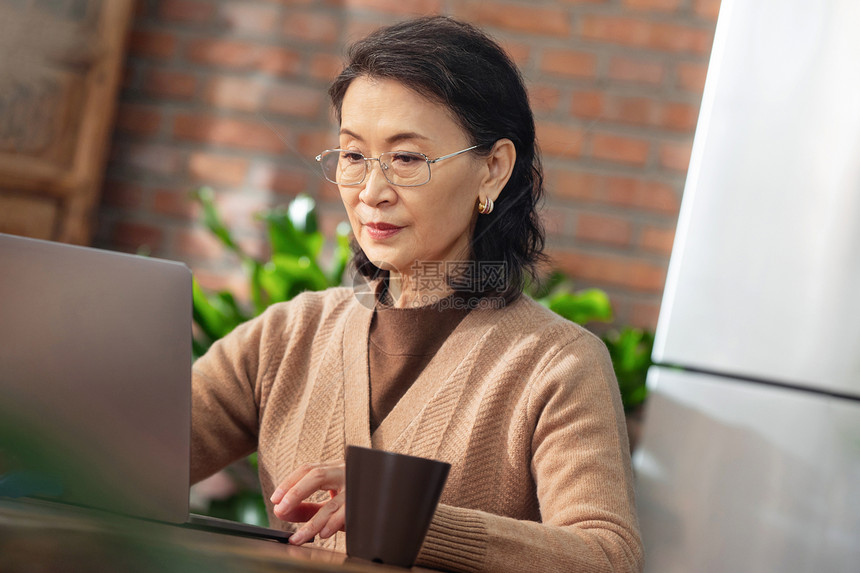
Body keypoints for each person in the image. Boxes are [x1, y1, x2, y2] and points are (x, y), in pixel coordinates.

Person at [190, 16, 643, 573]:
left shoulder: (556, 365)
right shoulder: (290, 334)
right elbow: (121, 452)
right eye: (354, 156)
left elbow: (606, 556)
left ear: (493, 170)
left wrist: (410, 518)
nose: (372, 193)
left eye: (406, 159)